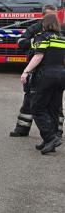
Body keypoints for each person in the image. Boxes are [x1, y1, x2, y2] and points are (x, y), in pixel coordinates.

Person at [11, 4, 64, 138]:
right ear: (43, 16)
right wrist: (35, 41)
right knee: (29, 98)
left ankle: (56, 132)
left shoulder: (61, 30)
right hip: (36, 69)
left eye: (54, 15)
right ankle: (22, 129)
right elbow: (21, 42)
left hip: (53, 70)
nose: (53, 18)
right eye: (50, 15)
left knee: (55, 103)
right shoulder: (34, 29)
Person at [20, 13, 65, 154]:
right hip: (61, 75)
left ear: (45, 24)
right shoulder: (63, 38)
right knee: (53, 108)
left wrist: (26, 71)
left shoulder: (42, 37)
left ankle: (50, 138)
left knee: (37, 108)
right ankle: (48, 141)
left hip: (46, 75)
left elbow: (38, 56)